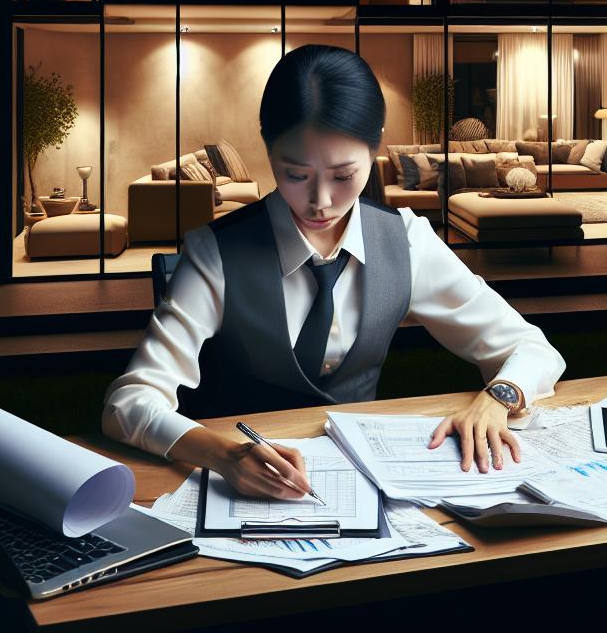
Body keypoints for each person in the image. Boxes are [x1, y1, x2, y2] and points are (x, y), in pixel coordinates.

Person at [102, 44, 565, 500]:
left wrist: (498, 397)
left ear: (375, 145)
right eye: (296, 174)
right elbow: (129, 403)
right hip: (241, 497)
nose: (320, 201)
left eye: (344, 175)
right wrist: (224, 456)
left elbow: (532, 348)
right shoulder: (215, 252)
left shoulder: (405, 241)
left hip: (368, 489)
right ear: (267, 145)